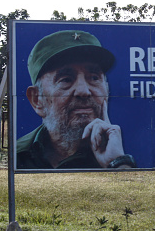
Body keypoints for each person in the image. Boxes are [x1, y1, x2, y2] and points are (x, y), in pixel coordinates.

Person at [16, 29, 136, 170]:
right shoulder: (18, 155)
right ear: (37, 99)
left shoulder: (128, 149)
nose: (83, 91)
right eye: (66, 79)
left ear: (107, 91)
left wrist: (118, 162)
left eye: (94, 78)